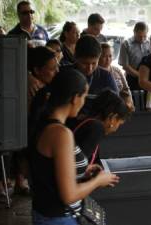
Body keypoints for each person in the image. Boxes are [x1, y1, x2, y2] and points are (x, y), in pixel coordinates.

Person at [29, 69, 119, 224]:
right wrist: (98, 181)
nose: (83, 102)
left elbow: (48, 170)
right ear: (74, 98)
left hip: (45, 213)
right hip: (59, 218)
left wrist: (82, 170)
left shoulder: (43, 124)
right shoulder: (61, 134)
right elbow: (69, 195)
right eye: (83, 96)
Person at [68, 89, 131, 165]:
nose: (116, 129)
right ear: (113, 117)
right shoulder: (96, 128)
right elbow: (78, 166)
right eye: (119, 123)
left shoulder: (86, 122)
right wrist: (99, 177)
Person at [99, 43, 134, 110]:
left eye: (110, 56)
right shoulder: (96, 72)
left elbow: (126, 88)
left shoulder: (117, 70)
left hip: (122, 104)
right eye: (104, 56)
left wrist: (130, 102)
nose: (108, 59)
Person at [118, 22, 151, 90]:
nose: (142, 39)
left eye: (144, 36)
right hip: (132, 77)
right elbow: (125, 66)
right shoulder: (126, 44)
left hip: (149, 77)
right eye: (139, 36)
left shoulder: (150, 43)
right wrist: (141, 76)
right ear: (134, 32)